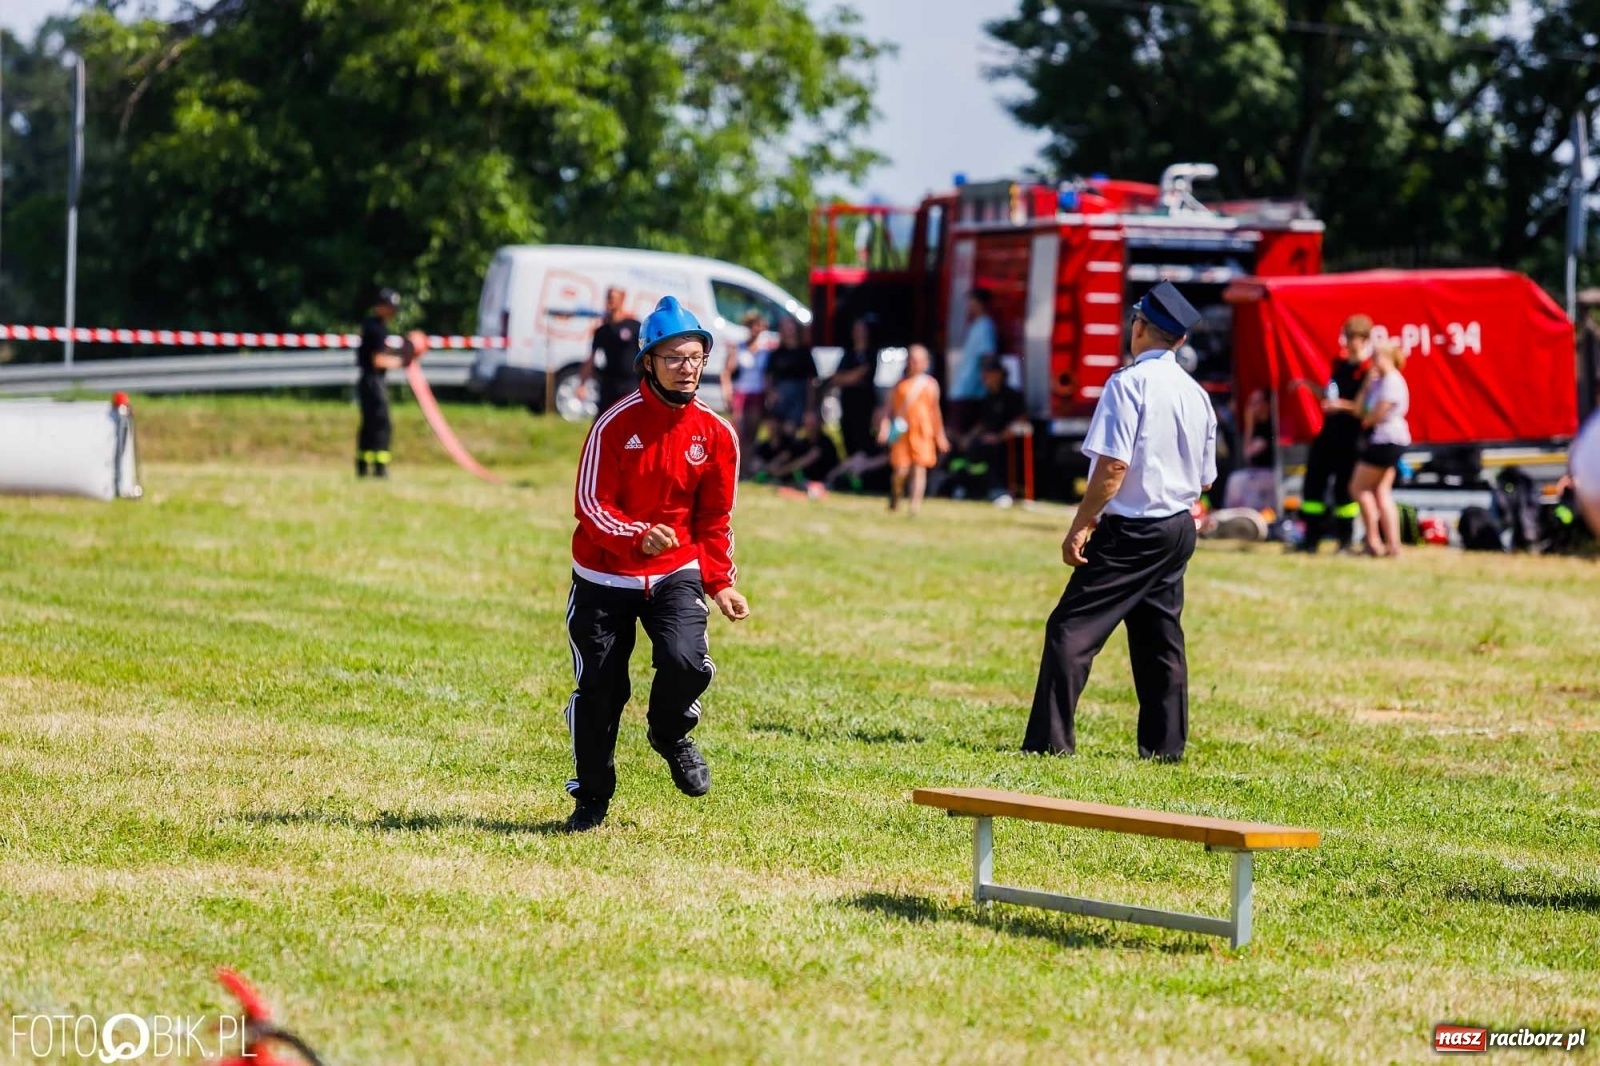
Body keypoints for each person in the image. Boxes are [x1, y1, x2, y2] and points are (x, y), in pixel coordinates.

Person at [561, 295, 750, 833]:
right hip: (604, 574)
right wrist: (635, 536)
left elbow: (715, 517)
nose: (687, 368)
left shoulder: (717, 434)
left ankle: (670, 733)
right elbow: (590, 505)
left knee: (686, 661)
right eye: (674, 358)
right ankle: (591, 800)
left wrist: (721, 582)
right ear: (648, 361)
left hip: (675, 571)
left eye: (695, 357)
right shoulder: (614, 424)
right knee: (600, 691)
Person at [1022, 281, 1216, 762]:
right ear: (1181, 340)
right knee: (1159, 639)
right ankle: (1164, 748)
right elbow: (1207, 477)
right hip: (1178, 525)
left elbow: (1113, 466)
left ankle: (1050, 743)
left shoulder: (1128, 385)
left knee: (1070, 630)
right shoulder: (1197, 395)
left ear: (1140, 327)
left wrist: (1081, 525)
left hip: (1134, 527)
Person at [1295, 314, 1372, 552]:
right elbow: (1330, 396)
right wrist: (1308, 387)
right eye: (1345, 336)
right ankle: (1311, 539)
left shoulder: (1368, 370)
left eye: (1351, 337)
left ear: (1363, 339)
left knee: (1344, 491)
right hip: (1328, 434)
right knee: (1313, 487)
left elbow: (1364, 409)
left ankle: (1345, 540)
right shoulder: (1339, 364)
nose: (1346, 342)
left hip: (1350, 438)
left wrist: (1340, 406)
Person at [1349, 341, 1411, 557]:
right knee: (1382, 492)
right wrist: (1366, 384)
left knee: (1359, 488)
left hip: (1385, 440)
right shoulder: (1378, 382)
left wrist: (1367, 419)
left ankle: (1373, 541)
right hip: (1386, 440)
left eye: (1376, 356)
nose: (1373, 361)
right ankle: (1393, 546)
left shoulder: (1392, 381)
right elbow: (1359, 409)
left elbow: (1375, 415)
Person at [354, 288, 419, 478]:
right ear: (381, 307)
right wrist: (403, 361)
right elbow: (378, 360)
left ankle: (363, 466)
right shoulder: (377, 329)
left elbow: (381, 352)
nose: (393, 311)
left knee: (368, 424)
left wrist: (399, 352)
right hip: (374, 382)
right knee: (381, 423)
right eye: (390, 307)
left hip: (367, 381)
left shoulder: (371, 325)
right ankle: (380, 467)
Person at [880, 344, 949, 516]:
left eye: (918, 361)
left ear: (925, 362)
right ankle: (896, 496)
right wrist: (884, 427)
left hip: (923, 432)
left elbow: (935, 412)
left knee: (920, 468)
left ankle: (914, 506)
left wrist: (940, 436)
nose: (914, 364)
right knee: (901, 471)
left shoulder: (931, 385)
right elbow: (887, 410)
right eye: (912, 360)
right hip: (902, 432)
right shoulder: (899, 385)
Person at [948, 355, 1026, 503]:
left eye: (988, 373)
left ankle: (999, 491)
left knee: (991, 453)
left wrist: (998, 437)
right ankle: (964, 488)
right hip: (986, 440)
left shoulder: (1012, 396)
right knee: (963, 451)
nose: (985, 377)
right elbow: (983, 423)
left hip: (1006, 443)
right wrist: (967, 438)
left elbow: (1020, 421)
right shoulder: (989, 397)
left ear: (999, 374)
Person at [579, 287, 643, 415]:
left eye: (614, 298)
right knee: (604, 418)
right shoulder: (602, 331)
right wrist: (582, 384)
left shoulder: (634, 326)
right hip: (609, 384)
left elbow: (644, 355)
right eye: (608, 297)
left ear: (622, 299)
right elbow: (591, 358)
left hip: (631, 384)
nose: (610, 301)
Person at [827, 316, 881, 458]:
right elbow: (835, 379)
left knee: (863, 439)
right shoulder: (848, 354)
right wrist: (851, 377)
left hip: (864, 406)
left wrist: (847, 377)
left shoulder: (871, 353)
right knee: (848, 437)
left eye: (861, 330)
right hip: (847, 404)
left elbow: (862, 373)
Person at [720, 311, 770, 456]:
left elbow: (768, 376)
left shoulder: (766, 351)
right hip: (740, 392)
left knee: (752, 433)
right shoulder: (738, 348)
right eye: (753, 325)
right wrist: (727, 394)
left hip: (758, 393)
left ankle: (747, 466)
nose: (756, 329)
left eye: (759, 326)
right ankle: (737, 464)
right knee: (739, 431)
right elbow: (727, 372)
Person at [949, 289, 998, 432]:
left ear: (980, 304)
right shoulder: (975, 326)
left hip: (972, 391)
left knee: (960, 433)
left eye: (971, 302)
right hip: (962, 389)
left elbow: (988, 355)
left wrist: (987, 383)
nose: (969, 306)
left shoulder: (985, 327)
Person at [765, 316, 818, 426]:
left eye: (790, 327)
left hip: (799, 397)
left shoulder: (804, 352)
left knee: (790, 428)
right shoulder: (777, 354)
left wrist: (810, 406)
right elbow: (768, 376)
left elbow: (811, 380)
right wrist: (770, 393)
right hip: (780, 398)